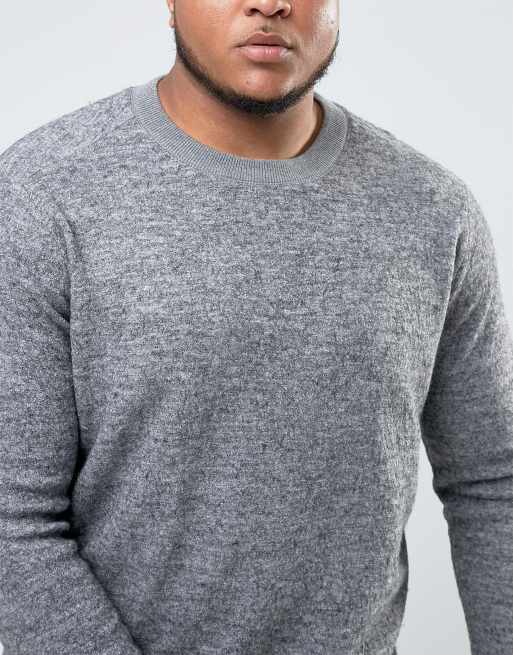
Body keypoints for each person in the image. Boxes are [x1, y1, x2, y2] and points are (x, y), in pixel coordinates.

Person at [0, 0, 511, 653]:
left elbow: (492, 481)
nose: (269, 2)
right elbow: (13, 519)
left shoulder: (434, 211)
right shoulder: (44, 193)